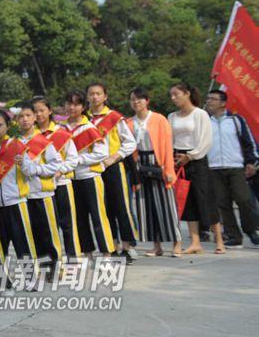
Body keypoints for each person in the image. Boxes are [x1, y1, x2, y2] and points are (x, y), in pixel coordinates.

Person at [0, 109, 37, 285]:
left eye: (0, 125)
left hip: (17, 202)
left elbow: (31, 171)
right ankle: (2, 279)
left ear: (7, 126)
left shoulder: (17, 146)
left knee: (23, 242)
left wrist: (23, 164)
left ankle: (30, 278)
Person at [127, 88, 182, 257]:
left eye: (139, 99)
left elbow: (167, 144)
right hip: (139, 163)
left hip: (158, 161)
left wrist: (169, 168)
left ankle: (177, 243)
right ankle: (156, 245)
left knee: (166, 204)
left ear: (147, 101)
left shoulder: (159, 119)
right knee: (146, 206)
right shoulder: (129, 122)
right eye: (133, 99)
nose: (136, 102)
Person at [88, 83, 139, 262]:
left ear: (105, 96)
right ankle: (112, 245)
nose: (95, 97)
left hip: (114, 167)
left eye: (98, 93)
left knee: (122, 207)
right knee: (104, 209)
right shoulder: (85, 119)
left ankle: (127, 246)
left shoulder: (115, 118)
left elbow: (130, 143)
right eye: (91, 94)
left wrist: (115, 157)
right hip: (94, 169)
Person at [168, 82, 220, 255]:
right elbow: (170, 139)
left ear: (187, 94)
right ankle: (195, 241)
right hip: (178, 160)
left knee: (205, 198)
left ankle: (219, 239)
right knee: (187, 201)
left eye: (176, 94)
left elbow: (206, 140)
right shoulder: (172, 116)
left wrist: (191, 155)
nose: (173, 98)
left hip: (197, 159)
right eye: (171, 95)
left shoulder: (200, 114)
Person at [63, 91, 116, 258]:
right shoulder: (60, 128)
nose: (72, 107)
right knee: (79, 217)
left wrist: (78, 160)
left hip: (90, 176)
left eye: (76, 104)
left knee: (98, 215)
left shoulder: (89, 127)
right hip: (71, 179)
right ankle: (87, 252)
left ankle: (107, 252)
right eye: (69, 103)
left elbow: (102, 153)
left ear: (83, 107)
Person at [204, 89, 259, 248]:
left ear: (223, 103)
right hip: (213, 167)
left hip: (236, 167)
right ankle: (234, 236)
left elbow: (249, 143)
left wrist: (252, 162)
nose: (209, 101)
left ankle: (251, 230)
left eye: (213, 99)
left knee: (244, 199)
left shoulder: (236, 120)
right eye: (208, 98)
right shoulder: (205, 122)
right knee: (222, 203)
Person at [15, 102, 63, 281]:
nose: (25, 119)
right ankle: (38, 267)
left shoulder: (43, 141)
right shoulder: (14, 142)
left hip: (43, 194)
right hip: (22, 195)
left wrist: (36, 170)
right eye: (21, 116)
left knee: (48, 233)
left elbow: (56, 165)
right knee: (31, 233)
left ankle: (55, 266)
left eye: (28, 115)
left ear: (35, 117)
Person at [33, 96, 81, 261]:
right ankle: (52, 260)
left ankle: (73, 257)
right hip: (40, 188)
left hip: (61, 183)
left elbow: (73, 159)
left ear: (50, 111)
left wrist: (60, 171)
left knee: (67, 223)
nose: (39, 114)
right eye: (35, 111)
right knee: (45, 225)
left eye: (42, 110)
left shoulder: (61, 134)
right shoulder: (30, 136)